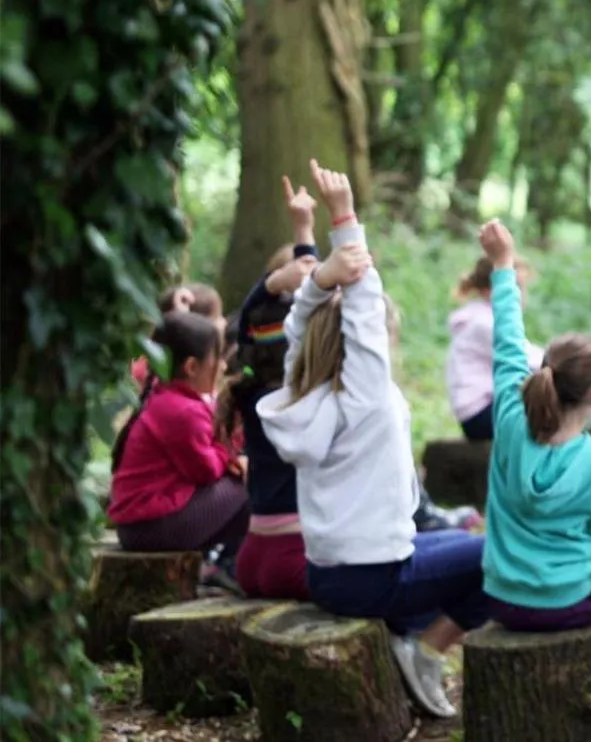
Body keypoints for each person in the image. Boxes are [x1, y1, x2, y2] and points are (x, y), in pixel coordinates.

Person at [258, 161, 487, 720]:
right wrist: (346, 220)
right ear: (365, 343)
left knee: (461, 538)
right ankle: (425, 650)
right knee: (510, 554)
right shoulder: (364, 394)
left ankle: (411, 636)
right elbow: (357, 313)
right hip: (373, 577)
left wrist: (316, 274)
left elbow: (299, 325)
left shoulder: (301, 387)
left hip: (328, 574)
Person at [477, 219, 591, 730]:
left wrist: (502, 265)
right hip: (565, 601)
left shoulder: (510, 421)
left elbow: (507, 339)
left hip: (499, 597)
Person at [221, 178, 321, 601]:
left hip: (253, 556)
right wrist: (306, 232)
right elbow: (318, 311)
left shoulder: (249, 395)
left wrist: (274, 281)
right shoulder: (311, 403)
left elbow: (245, 326)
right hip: (296, 555)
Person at [109, 310, 249, 592]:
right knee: (252, 482)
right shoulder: (182, 410)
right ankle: (226, 564)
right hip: (149, 528)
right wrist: (233, 460)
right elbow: (205, 470)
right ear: (192, 367)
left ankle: (222, 562)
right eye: (216, 358)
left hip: (140, 525)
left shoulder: (164, 396)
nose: (222, 367)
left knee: (244, 475)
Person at [445, 254, 543, 442]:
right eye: (518, 287)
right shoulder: (484, 324)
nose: (522, 295)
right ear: (490, 291)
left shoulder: (483, 316)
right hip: (481, 414)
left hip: (484, 409)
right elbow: (526, 358)